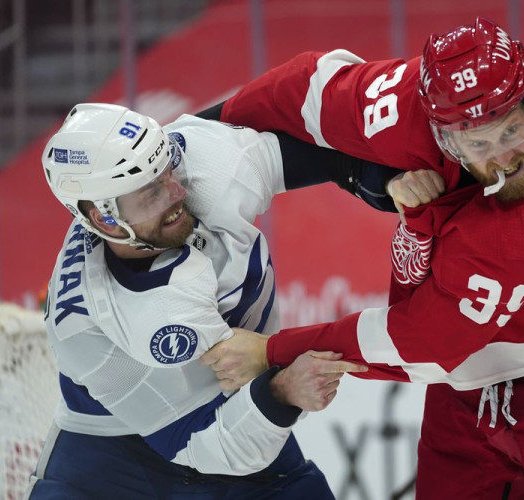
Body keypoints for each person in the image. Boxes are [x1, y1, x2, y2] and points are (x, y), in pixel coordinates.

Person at [203, 17, 524, 499]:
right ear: (443, 136)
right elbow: (308, 90)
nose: (504, 159)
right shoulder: (410, 105)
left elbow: (423, 340)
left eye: (511, 131)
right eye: (479, 144)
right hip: (465, 401)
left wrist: (271, 350)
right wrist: (181, 143)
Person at [26, 102, 417, 498]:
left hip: (234, 416)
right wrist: (281, 393)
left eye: (166, 171)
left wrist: (384, 177)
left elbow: (315, 133)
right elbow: (203, 443)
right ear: (105, 219)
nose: (177, 192)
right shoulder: (85, 325)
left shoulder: (200, 163)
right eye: (150, 192)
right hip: (108, 465)